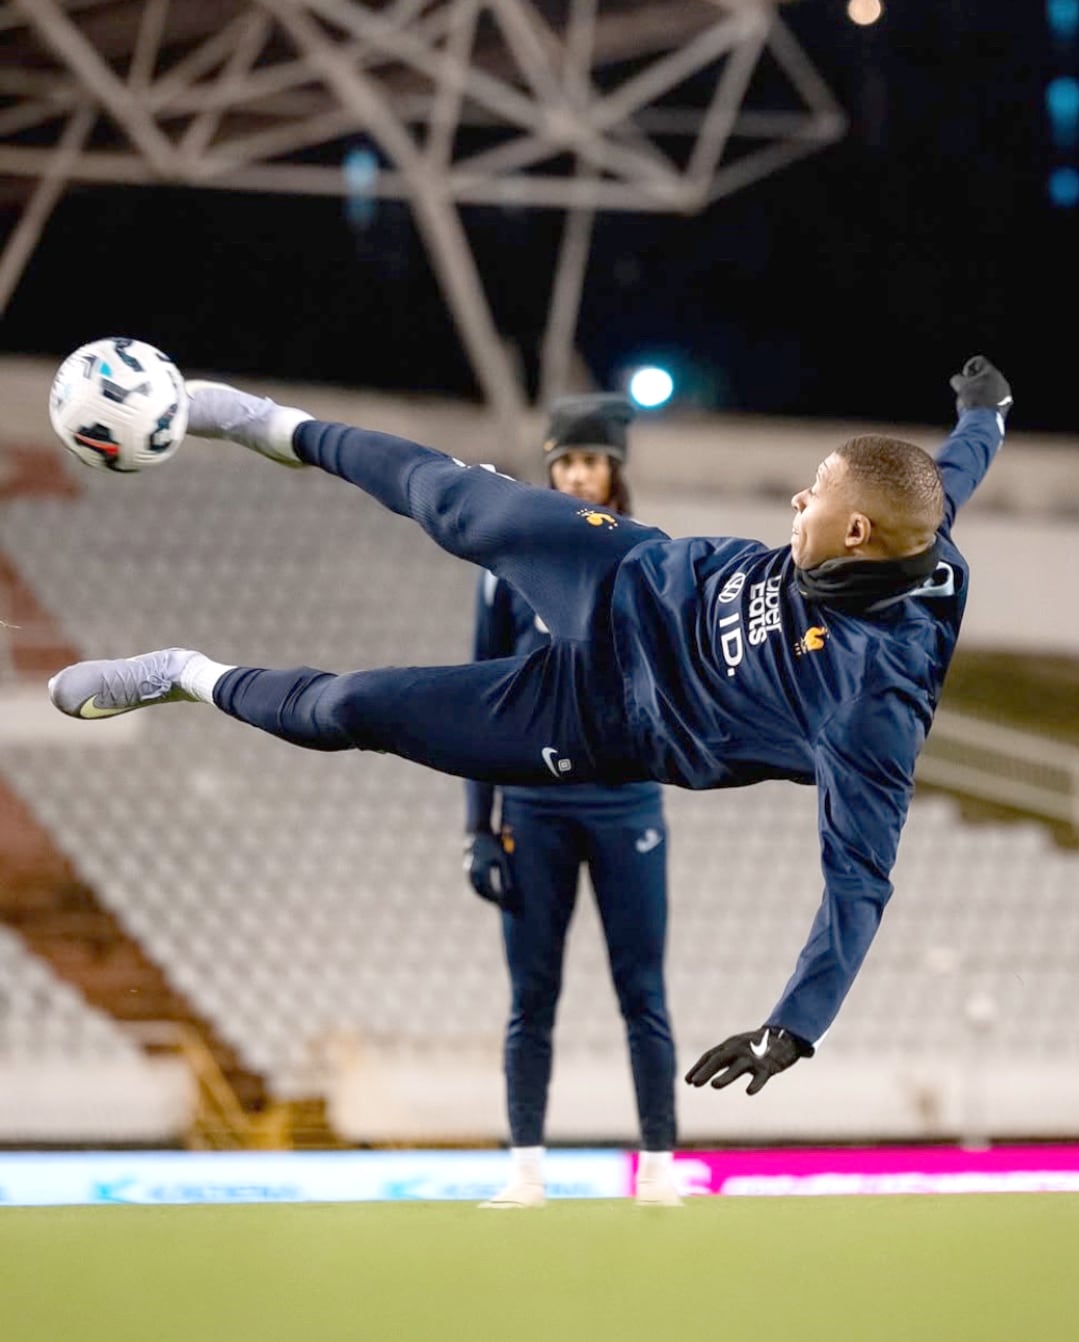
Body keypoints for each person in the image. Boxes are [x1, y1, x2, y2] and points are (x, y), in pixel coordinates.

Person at [48, 354, 1013, 1103]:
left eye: (817, 496)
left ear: (855, 537)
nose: (798, 500)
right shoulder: (912, 527)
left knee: (352, 712)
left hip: (596, 718)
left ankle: (185, 675)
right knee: (446, 497)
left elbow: (859, 880)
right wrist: (984, 415)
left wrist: (794, 1026)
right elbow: (944, 479)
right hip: (625, 573)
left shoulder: (868, 703)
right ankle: (261, 422)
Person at [463, 392, 679, 1208]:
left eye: (591, 460)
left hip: (627, 809)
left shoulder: (651, 562)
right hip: (532, 809)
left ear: (614, 470)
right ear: (550, 469)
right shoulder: (508, 566)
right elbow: (482, 700)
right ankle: (524, 1172)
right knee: (532, 998)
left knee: (644, 993)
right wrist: (475, 828)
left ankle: (658, 1170)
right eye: (565, 461)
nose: (578, 474)